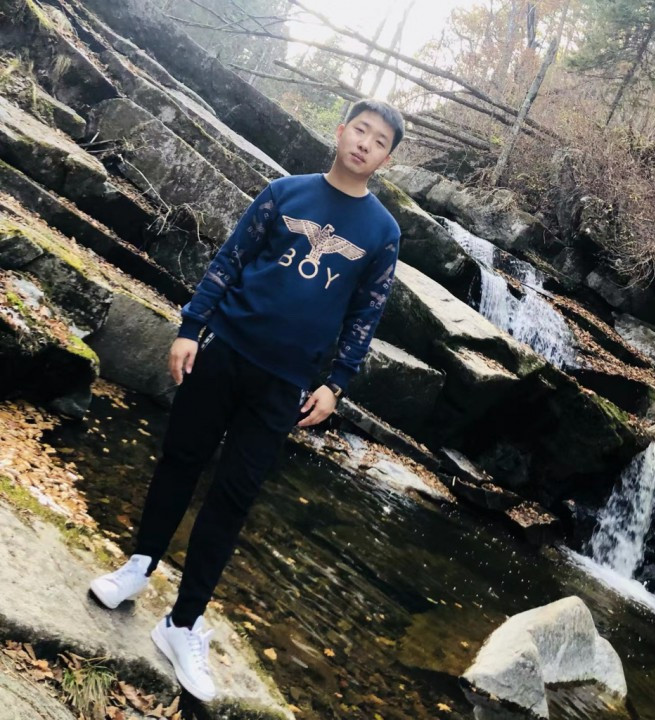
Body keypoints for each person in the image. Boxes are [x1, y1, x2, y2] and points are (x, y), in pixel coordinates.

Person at [89, 98, 405, 701]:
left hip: (287, 383)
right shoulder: (286, 193)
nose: (365, 143)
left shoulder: (383, 233)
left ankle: (181, 623)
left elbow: (366, 314)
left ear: (386, 160)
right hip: (226, 349)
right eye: (360, 130)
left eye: (379, 141)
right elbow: (231, 258)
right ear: (341, 131)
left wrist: (337, 383)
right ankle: (138, 567)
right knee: (180, 459)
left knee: (233, 497)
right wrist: (190, 327)